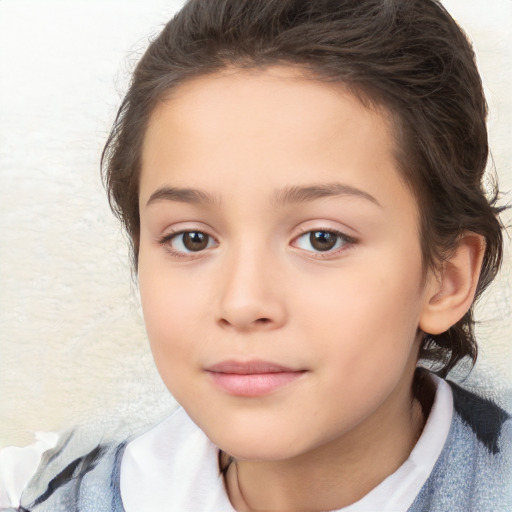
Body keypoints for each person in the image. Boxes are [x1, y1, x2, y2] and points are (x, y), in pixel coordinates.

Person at [0, 0, 510, 510]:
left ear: (446, 278)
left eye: (322, 239)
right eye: (191, 239)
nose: (243, 303)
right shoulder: (42, 493)